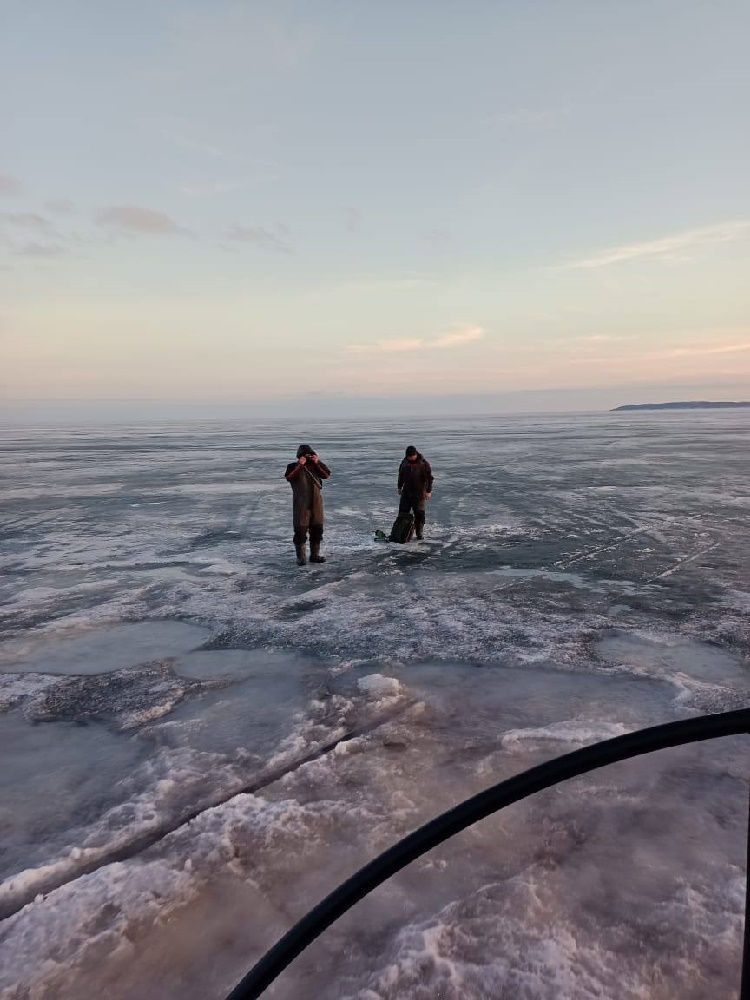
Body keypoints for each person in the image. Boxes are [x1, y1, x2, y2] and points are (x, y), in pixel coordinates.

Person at [284, 444, 331, 565]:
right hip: (301, 505)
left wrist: (317, 462)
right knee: (300, 531)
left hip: (316, 504)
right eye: (305, 455)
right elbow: (289, 477)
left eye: (310, 455)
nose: (308, 457)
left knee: (317, 530)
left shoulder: (316, 467)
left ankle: (314, 555)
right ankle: (301, 558)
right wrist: (300, 465)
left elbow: (326, 474)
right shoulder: (292, 466)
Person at [397, 445, 433, 540]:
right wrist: (399, 487)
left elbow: (429, 478)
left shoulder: (423, 464)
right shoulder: (404, 463)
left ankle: (419, 533)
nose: (411, 458)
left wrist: (428, 491)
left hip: (419, 493)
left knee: (419, 514)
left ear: (416, 454)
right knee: (403, 513)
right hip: (406, 492)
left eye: (412, 456)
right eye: (409, 457)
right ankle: (402, 533)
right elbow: (401, 475)